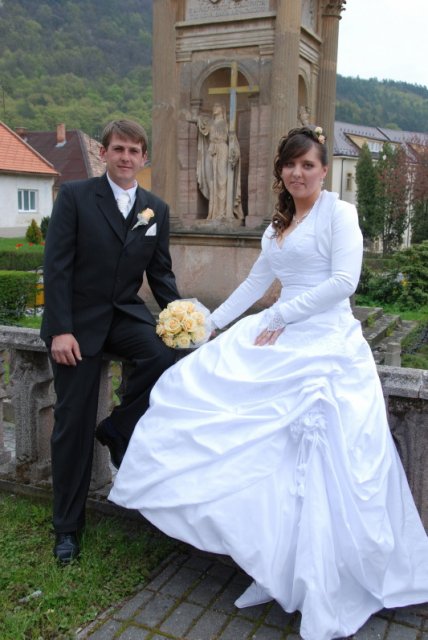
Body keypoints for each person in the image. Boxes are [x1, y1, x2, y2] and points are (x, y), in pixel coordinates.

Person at [109, 126, 428, 640]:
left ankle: (317, 578)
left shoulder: (339, 215)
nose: (299, 173)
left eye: (308, 165)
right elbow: (256, 282)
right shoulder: (278, 224)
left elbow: (344, 283)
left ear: (323, 170)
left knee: (314, 465)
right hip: (279, 332)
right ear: (280, 171)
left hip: (324, 345)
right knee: (233, 426)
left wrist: (281, 315)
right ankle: (273, 566)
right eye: (291, 164)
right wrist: (208, 324)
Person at [41, 119, 180, 564]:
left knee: (163, 354)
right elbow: (56, 266)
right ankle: (67, 528)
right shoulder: (75, 197)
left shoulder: (155, 209)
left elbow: (161, 275)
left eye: (134, 151)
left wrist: (187, 321)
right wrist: (60, 328)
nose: (125, 157)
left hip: (123, 315)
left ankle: (118, 426)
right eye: (118, 148)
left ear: (144, 158)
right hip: (77, 323)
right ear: (103, 153)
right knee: (73, 426)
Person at [187, 102, 244, 222]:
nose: (214, 108)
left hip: (223, 150)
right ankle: (212, 212)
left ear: (222, 109)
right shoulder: (210, 122)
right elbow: (196, 120)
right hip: (211, 150)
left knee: (222, 181)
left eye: (217, 106)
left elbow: (233, 140)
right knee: (211, 180)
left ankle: (222, 213)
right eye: (213, 106)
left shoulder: (226, 124)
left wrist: (234, 153)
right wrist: (187, 115)